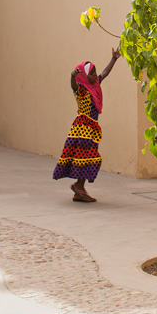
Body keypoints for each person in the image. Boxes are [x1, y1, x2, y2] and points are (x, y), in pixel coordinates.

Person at [52, 50, 121, 202]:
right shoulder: (82, 89)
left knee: (85, 158)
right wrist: (72, 76)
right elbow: (74, 87)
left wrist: (113, 59)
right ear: (83, 76)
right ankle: (79, 187)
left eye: (95, 72)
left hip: (91, 129)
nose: (95, 75)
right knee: (87, 157)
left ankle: (79, 189)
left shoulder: (95, 85)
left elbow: (105, 73)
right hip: (82, 129)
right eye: (91, 73)